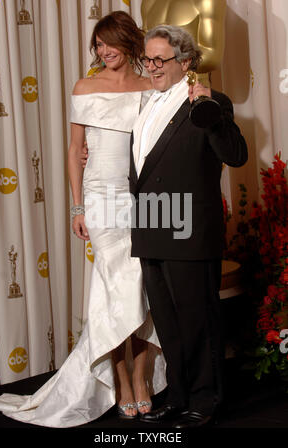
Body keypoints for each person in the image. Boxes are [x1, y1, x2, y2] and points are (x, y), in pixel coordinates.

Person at [0, 11, 166, 428]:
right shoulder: (84, 87)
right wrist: (77, 207)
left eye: (112, 44)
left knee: (141, 290)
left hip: (142, 198)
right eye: (99, 45)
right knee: (115, 288)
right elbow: (74, 151)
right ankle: (121, 379)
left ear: (130, 44)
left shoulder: (148, 87)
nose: (105, 52)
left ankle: (141, 376)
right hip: (101, 198)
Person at [129, 25, 248, 428]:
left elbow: (236, 155)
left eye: (161, 59)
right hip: (151, 225)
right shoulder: (147, 104)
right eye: (148, 58)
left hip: (189, 229)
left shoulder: (208, 102)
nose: (152, 66)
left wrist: (214, 115)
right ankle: (180, 398)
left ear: (185, 63)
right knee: (169, 324)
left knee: (198, 321)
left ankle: (206, 400)